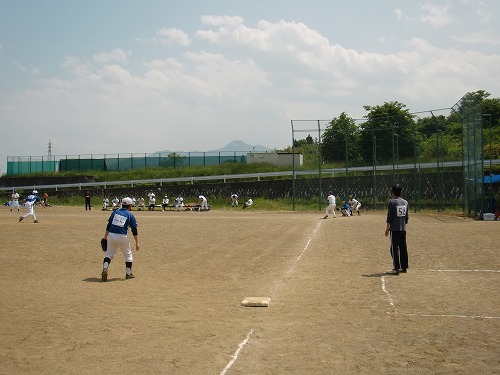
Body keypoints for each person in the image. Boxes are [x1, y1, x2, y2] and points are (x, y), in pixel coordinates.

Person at [101, 197, 139, 282]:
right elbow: (134, 230)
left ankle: (105, 268)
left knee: (109, 254)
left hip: (111, 235)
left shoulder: (115, 212)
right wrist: (137, 242)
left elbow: (108, 225)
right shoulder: (130, 215)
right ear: (130, 205)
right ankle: (128, 273)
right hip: (122, 236)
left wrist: (105, 237)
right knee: (128, 255)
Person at [384, 185, 409, 275]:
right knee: (403, 247)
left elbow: (389, 217)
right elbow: (406, 217)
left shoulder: (392, 202)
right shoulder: (405, 202)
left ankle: (396, 268)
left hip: (395, 229)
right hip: (403, 229)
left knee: (394, 249)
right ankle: (404, 266)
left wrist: (387, 229)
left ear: (393, 192)